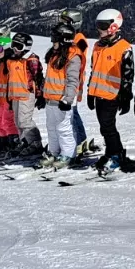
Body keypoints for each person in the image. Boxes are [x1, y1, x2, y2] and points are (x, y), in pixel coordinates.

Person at [86, 9, 135, 175]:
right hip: (98, 93)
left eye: (103, 26)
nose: (99, 29)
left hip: (113, 95)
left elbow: (128, 75)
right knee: (104, 127)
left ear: (114, 27)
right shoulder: (97, 46)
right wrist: (90, 91)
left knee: (108, 126)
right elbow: (94, 70)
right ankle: (112, 152)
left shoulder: (123, 48)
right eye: (98, 25)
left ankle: (116, 155)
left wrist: (126, 96)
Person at [40, 25, 88, 168]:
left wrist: (67, 99)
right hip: (51, 98)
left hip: (63, 100)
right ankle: (53, 152)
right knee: (51, 127)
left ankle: (68, 154)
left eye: (55, 39)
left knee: (64, 128)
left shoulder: (73, 56)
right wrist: (44, 94)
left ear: (63, 40)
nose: (52, 42)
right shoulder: (55, 54)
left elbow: (73, 80)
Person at [56, 9, 95, 155]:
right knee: (73, 112)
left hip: (73, 80)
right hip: (65, 79)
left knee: (71, 113)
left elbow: (75, 57)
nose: (62, 24)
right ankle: (81, 141)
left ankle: (78, 142)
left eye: (65, 22)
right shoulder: (72, 37)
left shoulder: (79, 39)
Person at [1, 32, 44, 153]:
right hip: (15, 95)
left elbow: (38, 77)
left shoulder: (31, 59)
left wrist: (40, 95)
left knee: (25, 121)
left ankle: (35, 143)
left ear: (26, 47)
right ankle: (25, 141)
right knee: (18, 121)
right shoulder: (12, 60)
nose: (15, 49)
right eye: (13, 45)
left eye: (18, 46)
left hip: (26, 94)